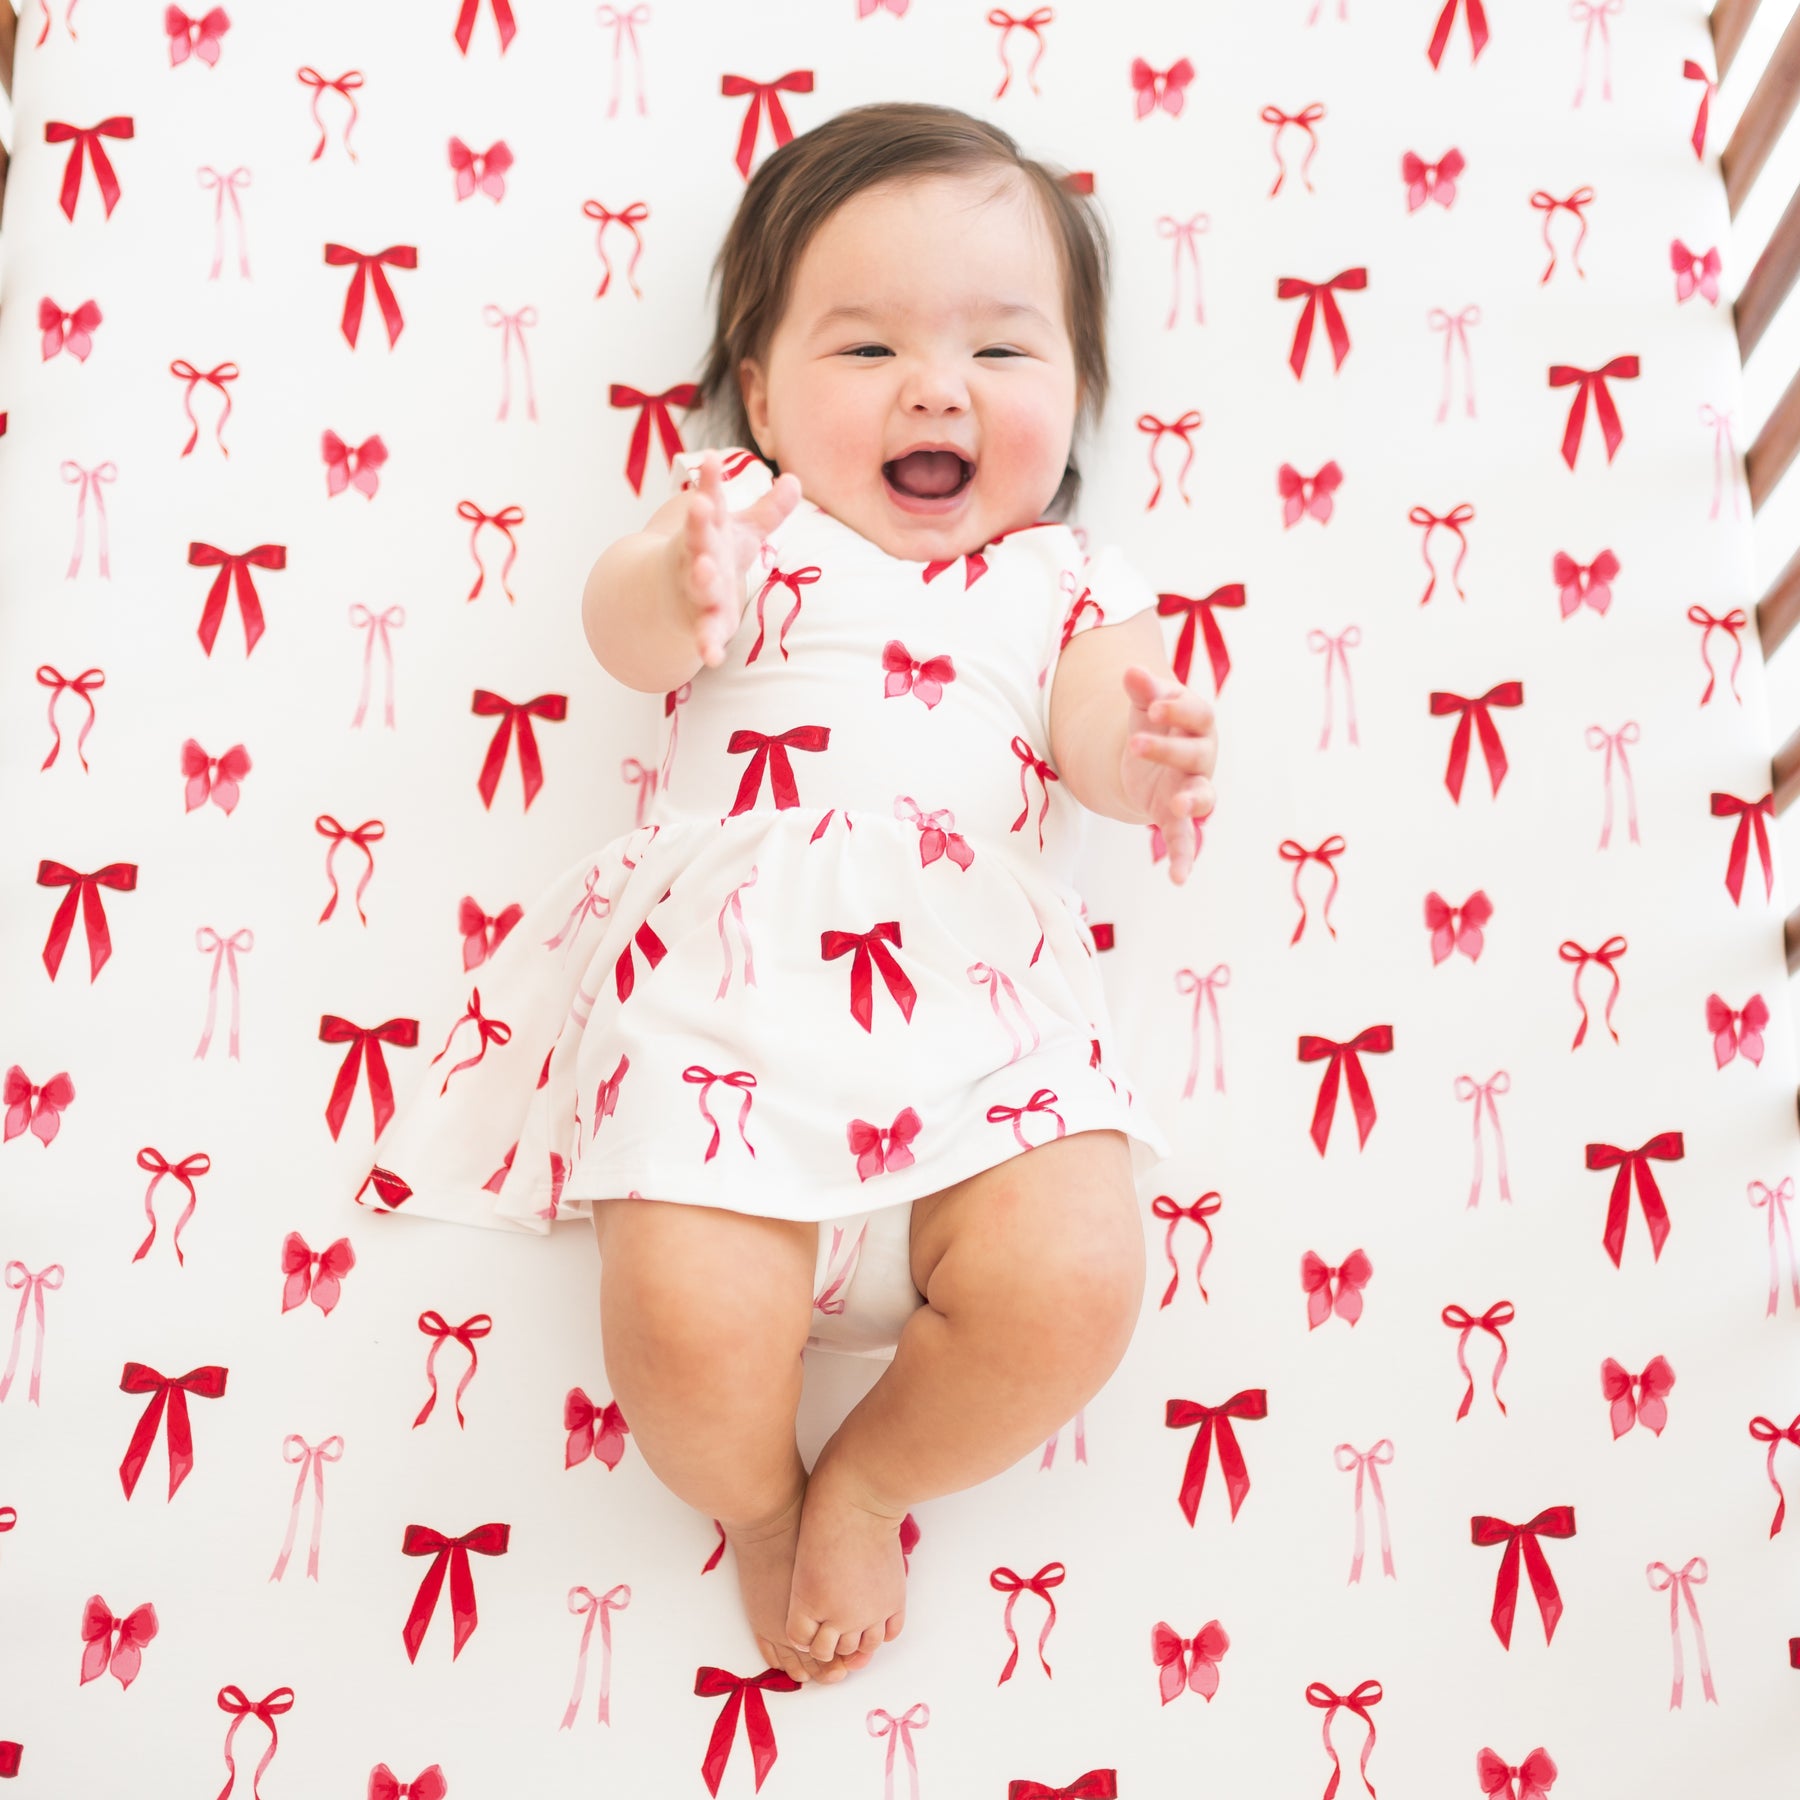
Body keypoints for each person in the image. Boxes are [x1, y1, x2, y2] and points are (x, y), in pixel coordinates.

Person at [353, 100, 1218, 1687]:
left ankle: (873, 1476)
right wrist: (676, 587)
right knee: (680, 1334)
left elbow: (1094, 714)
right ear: (759, 394)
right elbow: (623, 632)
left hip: (979, 1043)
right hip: (728, 1025)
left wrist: (1139, 755)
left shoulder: (1061, 578)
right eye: (867, 349)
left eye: (1006, 356)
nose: (938, 387)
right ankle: (757, 1497)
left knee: (1083, 1282)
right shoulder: (750, 522)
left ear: (1079, 393)